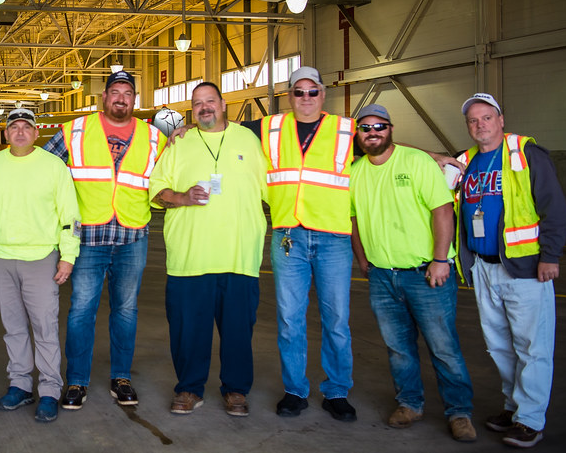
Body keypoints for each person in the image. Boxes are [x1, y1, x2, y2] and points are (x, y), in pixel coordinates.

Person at [349, 104, 477, 442]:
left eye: (379, 126)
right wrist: (363, 261)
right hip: (381, 276)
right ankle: (409, 403)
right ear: (358, 134)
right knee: (398, 348)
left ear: (390, 128)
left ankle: (459, 412)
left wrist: (440, 259)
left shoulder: (417, 162)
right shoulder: (356, 173)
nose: (372, 132)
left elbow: (443, 210)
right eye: (365, 127)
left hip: (424, 273)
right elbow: (356, 221)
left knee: (443, 347)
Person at [43, 70, 166, 410]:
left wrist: (181, 133)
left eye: (127, 93)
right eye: (115, 92)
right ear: (103, 98)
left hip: (132, 235)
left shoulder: (154, 137)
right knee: (82, 310)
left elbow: (170, 173)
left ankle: (121, 377)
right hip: (88, 238)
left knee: (126, 311)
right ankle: (77, 381)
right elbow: (44, 170)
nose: (121, 98)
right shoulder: (75, 131)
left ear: (135, 100)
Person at [455, 93, 566, 449]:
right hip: (484, 269)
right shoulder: (465, 162)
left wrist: (550, 256)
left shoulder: (526, 154)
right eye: (473, 120)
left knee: (532, 347)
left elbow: (555, 209)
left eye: (487, 117)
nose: (480, 125)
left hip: (525, 269)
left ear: (501, 120)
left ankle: (530, 420)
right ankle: (512, 406)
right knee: (499, 346)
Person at [149, 83, 268, 417]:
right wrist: (182, 197)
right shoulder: (180, 143)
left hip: (239, 255)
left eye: (210, 101)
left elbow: (273, 186)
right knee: (188, 331)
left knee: (238, 333)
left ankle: (236, 391)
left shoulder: (248, 140)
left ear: (223, 103)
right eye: (197, 103)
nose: (204, 108)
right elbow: (157, 191)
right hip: (190, 257)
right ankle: (189, 389)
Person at [254, 66, 358, 421]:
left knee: (336, 319)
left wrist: (432, 156)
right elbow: (226, 132)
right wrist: (187, 127)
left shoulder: (345, 129)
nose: (306, 98)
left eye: (312, 92)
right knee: (289, 318)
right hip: (288, 236)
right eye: (299, 92)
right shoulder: (270, 127)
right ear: (289, 95)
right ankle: (295, 390)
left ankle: (337, 391)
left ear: (323, 95)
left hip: (332, 237)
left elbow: (384, 145)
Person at [0, 108, 81, 423]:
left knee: (45, 328)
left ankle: (50, 389)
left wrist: (68, 256)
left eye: (27, 127)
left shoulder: (54, 167)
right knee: (14, 328)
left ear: (37, 134)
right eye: (14, 127)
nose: (20, 132)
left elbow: (71, 217)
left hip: (41, 259)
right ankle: (21, 384)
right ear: (6, 134)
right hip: (1, 258)